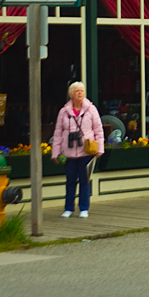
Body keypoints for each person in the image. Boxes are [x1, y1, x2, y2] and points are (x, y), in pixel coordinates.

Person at [51, 82, 104, 219]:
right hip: (68, 153)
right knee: (70, 181)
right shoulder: (63, 112)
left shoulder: (91, 109)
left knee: (84, 180)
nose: (80, 93)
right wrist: (55, 152)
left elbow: (98, 130)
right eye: (77, 91)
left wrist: (100, 148)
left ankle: (84, 208)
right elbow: (57, 133)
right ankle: (68, 208)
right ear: (71, 94)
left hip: (86, 151)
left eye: (82, 91)